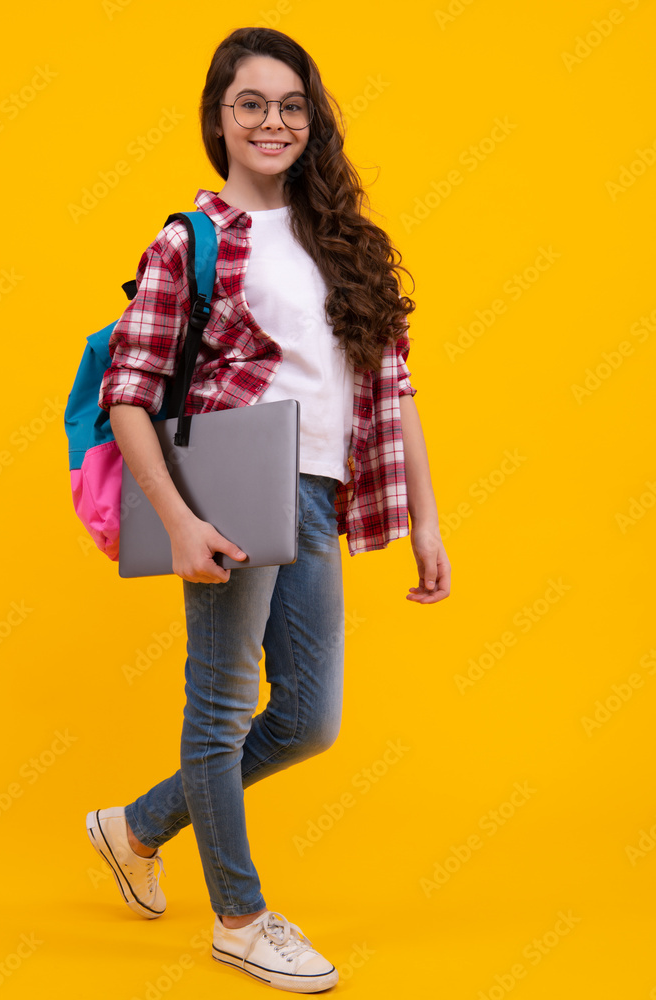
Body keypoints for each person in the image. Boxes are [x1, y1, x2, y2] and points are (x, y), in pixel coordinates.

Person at [86, 25, 451, 994]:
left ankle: (135, 827)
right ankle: (240, 918)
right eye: (250, 102)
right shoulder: (191, 242)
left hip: (320, 491)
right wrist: (176, 516)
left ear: (312, 118)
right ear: (219, 118)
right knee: (217, 709)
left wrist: (425, 517)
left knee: (305, 721)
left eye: (290, 104)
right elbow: (129, 388)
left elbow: (396, 386)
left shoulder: (348, 244)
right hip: (234, 475)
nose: (271, 121)